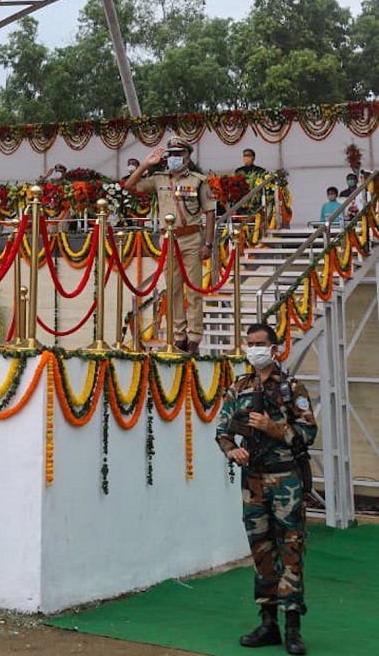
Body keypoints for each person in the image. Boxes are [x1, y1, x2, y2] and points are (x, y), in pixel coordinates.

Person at [215, 323, 317, 654]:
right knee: (261, 551)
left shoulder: (292, 388)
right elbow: (222, 429)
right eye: (250, 343)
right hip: (253, 481)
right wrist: (232, 449)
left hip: (285, 479)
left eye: (261, 343)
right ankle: (268, 623)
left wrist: (273, 428)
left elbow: (307, 434)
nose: (254, 349)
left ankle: (292, 628)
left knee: (290, 549)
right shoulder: (240, 387)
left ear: (274, 348)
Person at [125, 139, 215, 356]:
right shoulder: (159, 179)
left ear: (187, 156)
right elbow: (130, 186)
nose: (174, 157)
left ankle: (194, 337)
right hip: (169, 239)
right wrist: (146, 164)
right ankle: (179, 335)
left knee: (194, 290)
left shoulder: (198, 180)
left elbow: (210, 211)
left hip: (191, 238)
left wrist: (208, 244)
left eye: (179, 153)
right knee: (172, 290)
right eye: (171, 153)